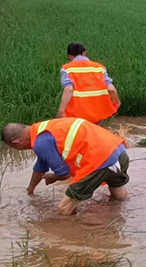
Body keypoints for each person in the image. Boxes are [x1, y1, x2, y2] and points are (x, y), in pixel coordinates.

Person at [1, 118, 129, 215]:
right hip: (119, 151)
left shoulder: (40, 143)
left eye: (15, 148)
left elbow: (64, 173)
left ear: (17, 143)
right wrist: (30, 191)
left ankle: (69, 238)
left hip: (100, 161)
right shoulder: (42, 129)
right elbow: (40, 166)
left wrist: (53, 177)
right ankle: (117, 220)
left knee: (63, 210)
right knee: (118, 198)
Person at [57, 42, 120, 124]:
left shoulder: (67, 69)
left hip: (77, 113)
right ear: (85, 53)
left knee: (79, 135)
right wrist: (117, 102)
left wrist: (61, 112)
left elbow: (68, 89)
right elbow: (111, 89)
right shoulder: (99, 68)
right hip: (97, 112)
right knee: (94, 134)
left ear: (69, 55)